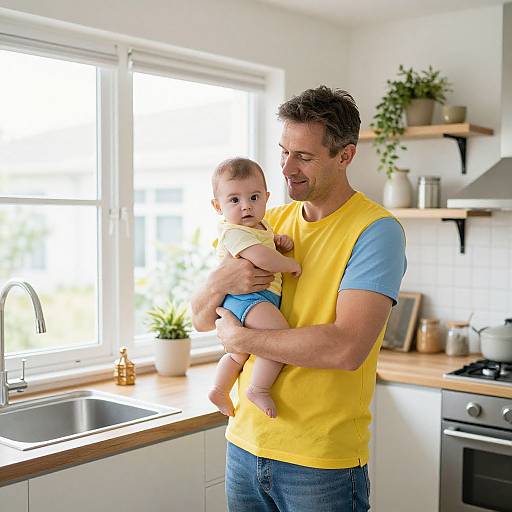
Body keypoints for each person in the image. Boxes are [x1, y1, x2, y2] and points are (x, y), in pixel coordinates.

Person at [191, 85, 407, 512]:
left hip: (319, 463)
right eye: (283, 151)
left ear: (344, 156)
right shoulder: (267, 220)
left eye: (303, 156)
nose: (287, 168)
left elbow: (346, 348)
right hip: (244, 444)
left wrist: (242, 341)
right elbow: (200, 318)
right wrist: (220, 280)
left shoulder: (375, 231)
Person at [207, 157, 301, 419]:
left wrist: (276, 240)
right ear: (218, 206)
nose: (246, 206)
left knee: (239, 353)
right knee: (279, 339)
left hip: (252, 299)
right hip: (249, 298)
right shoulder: (232, 230)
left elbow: (264, 243)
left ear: (266, 197)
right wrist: (287, 263)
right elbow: (260, 257)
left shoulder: (260, 225)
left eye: (254, 197)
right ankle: (258, 388)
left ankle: (219, 388)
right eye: (234, 200)